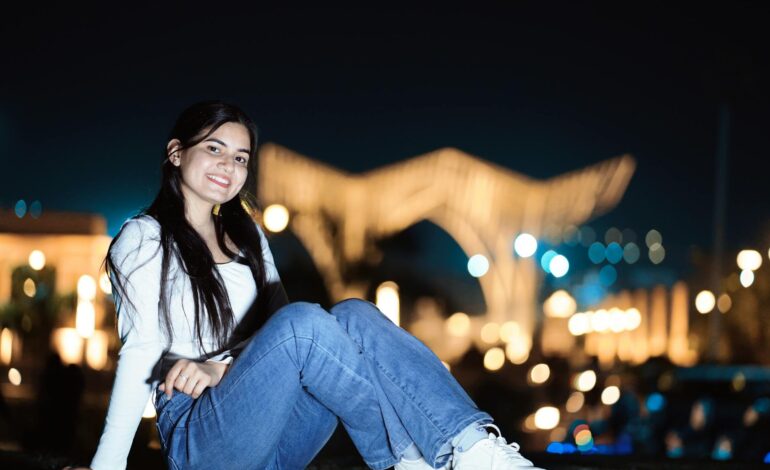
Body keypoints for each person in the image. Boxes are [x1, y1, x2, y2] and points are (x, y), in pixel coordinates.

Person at [65, 101, 543, 470]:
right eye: (213, 149)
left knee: (352, 314)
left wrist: (224, 369)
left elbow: (283, 341)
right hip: (201, 436)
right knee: (304, 324)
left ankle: (476, 447)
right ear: (176, 153)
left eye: (240, 158)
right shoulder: (144, 237)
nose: (228, 167)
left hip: (277, 437)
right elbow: (142, 350)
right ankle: (410, 456)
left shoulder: (248, 235)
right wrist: (107, 464)